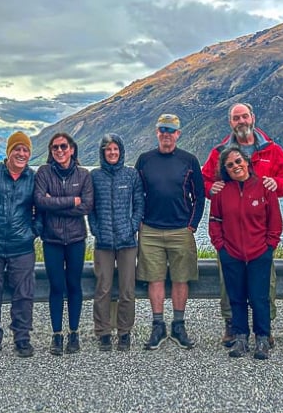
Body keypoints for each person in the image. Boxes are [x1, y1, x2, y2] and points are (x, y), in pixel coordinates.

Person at [201, 102, 283, 347]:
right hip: (231, 239)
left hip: (258, 238)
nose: (241, 121)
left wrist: (277, 184)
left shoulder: (272, 150)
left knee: (265, 285)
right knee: (229, 285)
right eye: (236, 118)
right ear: (230, 123)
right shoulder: (220, 151)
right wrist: (211, 189)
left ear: (253, 118)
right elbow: (204, 180)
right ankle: (232, 326)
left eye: (244, 116)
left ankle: (265, 328)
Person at [135, 114, 205, 350]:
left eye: (171, 130)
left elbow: (200, 196)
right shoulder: (145, 160)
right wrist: (140, 222)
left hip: (180, 230)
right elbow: (137, 194)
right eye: (162, 129)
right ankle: (158, 326)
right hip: (151, 230)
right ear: (157, 132)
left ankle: (178, 324)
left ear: (178, 134)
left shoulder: (189, 160)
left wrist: (192, 224)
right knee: (154, 278)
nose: (166, 133)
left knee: (180, 277)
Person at [209, 146, 282, 360]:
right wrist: (221, 247)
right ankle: (241, 337)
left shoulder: (264, 187)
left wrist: (270, 247)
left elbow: (275, 221)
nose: (236, 166)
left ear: (247, 162)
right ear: (225, 170)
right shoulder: (221, 192)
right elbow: (214, 222)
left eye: (238, 161)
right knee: (237, 298)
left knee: (260, 298)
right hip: (231, 253)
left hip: (259, 253)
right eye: (230, 165)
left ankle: (262, 338)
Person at [0, 131, 41, 359]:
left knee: (24, 294)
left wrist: (33, 231)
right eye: (17, 149)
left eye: (25, 150)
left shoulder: (33, 178)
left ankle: (22, 338)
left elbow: (41, 210)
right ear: (9, 152)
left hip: (21, 246)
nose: (21, 154)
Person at [34, 133, 93, 355]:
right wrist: (71, 201)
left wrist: (53, 203)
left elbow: (86, 206)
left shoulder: (83, 175)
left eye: (63, 146)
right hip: (52, 240)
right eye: (55, 147)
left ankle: (74, 333)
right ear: (51, 151)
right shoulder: (43, 173)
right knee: (57, 287)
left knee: (74, 285)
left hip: (77, 239)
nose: (59, 151)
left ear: (72, 150)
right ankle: (57, 335)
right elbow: (40, 201)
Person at [88, 133, 144, 352]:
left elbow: (139, 204)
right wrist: (95, 229)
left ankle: (124, 332)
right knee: (102, 289)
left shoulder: (131, 175)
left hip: (127, 242)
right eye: (108, 149)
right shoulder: (94, 176)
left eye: (115, 149)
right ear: (103, 153)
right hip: (103, 242)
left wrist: (131, 227)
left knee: (127, 289)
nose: (112, 153)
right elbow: (90, 208)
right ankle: (102, 332)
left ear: (121, 151)